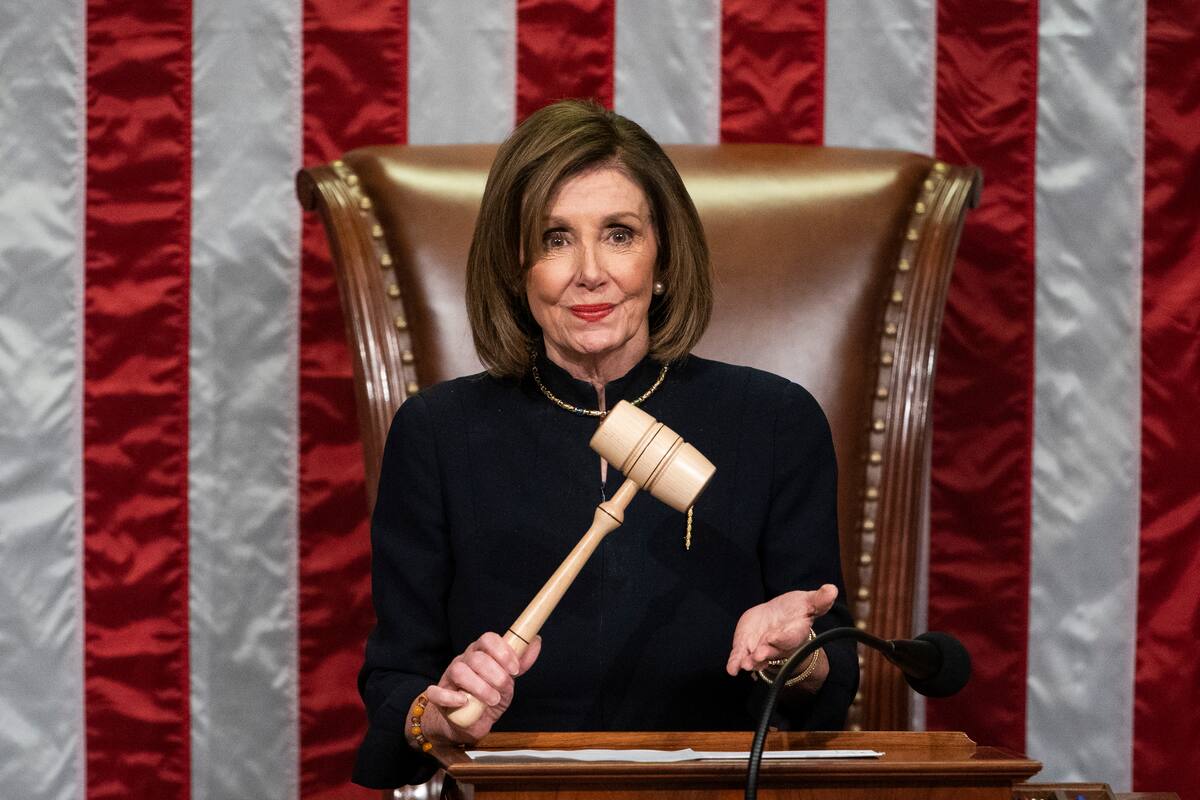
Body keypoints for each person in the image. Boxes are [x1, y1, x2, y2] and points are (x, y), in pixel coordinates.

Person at [352, 99, 858, 789]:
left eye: (618, 234)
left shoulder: (773, 421)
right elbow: (394, 681)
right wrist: (435, 713)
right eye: (555, 238)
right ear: (514, 265)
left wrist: (794, 655)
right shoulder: (439, 433)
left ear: (664, 259)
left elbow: (833, 677)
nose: (589, 270)